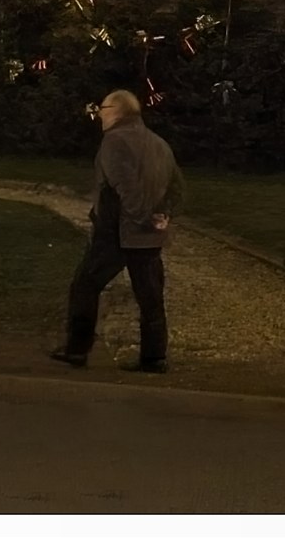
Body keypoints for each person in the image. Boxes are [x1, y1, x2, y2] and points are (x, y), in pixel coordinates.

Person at [51, 88, 181, 373]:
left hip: (118, 232)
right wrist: (162, 215)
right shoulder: (159, 143)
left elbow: (126, 189)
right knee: (150, 297)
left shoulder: (114, 141)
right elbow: (176, 186)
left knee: (86, 285)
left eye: (104, 108)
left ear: (118, 112)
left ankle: (77, 349)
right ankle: (154, 357)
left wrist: (141, 217)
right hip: (149, 234)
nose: (100, 114)